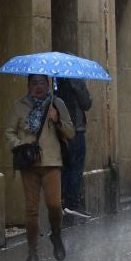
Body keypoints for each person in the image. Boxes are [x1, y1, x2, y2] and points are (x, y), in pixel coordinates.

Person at [6, 74, 75, 261]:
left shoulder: (57, 103)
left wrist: (57, 119)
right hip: (29, 164)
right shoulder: (19, 105)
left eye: (43, 83)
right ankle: (32, 252)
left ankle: (56, 233)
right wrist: (20, 146)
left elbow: (70, 132)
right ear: (28, 85)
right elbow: (9, 131)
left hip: (52, 162)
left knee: (54, 204)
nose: (38, 86)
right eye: (34, 83)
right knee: (31, 209)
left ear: (49, 84)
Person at [55, 77, 93, 223]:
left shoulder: (55, 79)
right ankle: (73, 202)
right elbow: (86, 103)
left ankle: (63, 201)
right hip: (76, 129)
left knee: (65, 166)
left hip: (60, 129)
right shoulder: (75, 78)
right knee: (76, 167)